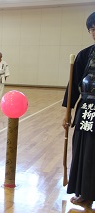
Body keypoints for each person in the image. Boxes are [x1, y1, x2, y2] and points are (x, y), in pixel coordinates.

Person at [62, 11, 95, 208]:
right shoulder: (85, 54)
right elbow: (74, 85)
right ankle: (85, 192)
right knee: (85, 151)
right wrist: (67, 113)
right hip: (88, 110)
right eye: (93, 29)